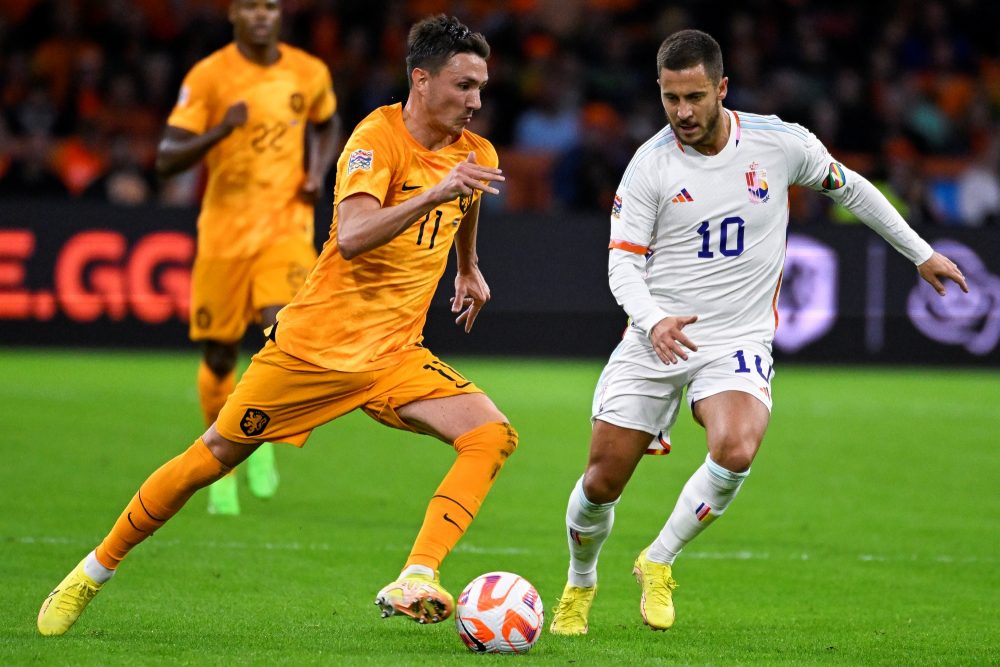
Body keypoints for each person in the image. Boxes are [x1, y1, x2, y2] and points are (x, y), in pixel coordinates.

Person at [37, 14, 515, 636]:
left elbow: (467, 197)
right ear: (420, 80)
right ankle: (91, 572)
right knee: (210, 457)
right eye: (463, 86)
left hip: (394, 355)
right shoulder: (377, 140)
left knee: (491, 435)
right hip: (313, 352)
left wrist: (468, 268)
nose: (476, 101)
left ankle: (418, 574)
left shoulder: (475, 153)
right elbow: (352, 236)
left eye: (481, 86)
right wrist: (433, 192)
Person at [548, 29, 969, 635]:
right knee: (601, 480)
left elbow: (850, 186)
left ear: (722, 87)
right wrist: (653, 320)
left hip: (737, 338)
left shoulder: (779, 143)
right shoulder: (649, 165)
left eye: (694, 96)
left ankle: (658, 558)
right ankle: (580, 582)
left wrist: (919, 253)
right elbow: (621, 263)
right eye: (670, 99)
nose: (682, 113)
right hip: (655, 335)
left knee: (737, 447)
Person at [155, 0, 342, 515]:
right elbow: (167, 158)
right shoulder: (210, 76)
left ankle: (256, 442)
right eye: (251, 7)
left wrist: (315, 170)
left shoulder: (310, 71)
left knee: (278, 330)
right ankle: (220, 462)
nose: (262, 15)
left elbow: (328, 124)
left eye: (270, 6)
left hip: (285, 227)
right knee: (219, 352)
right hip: (223, 234)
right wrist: (220, 131)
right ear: (233, 14)